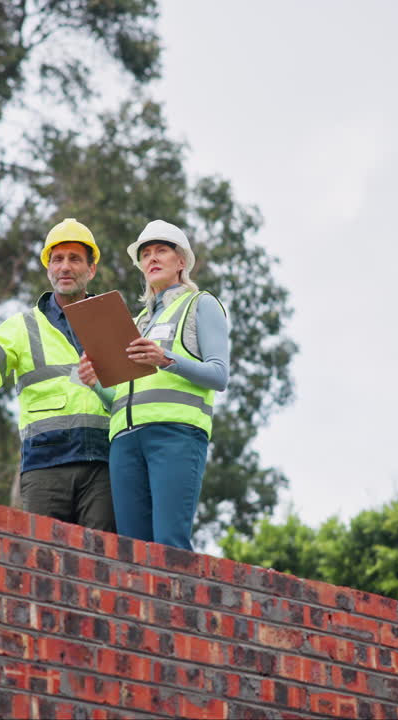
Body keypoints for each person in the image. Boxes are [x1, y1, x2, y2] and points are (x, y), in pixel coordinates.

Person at [0, 218, 115, 532]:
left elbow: (133, 391)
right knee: (43, 565)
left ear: (92, 269)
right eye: (57, 259)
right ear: (48, 268)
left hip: (104, 464)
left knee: (101, 563)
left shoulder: (111, 321)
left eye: (75, 259)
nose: (65, 267)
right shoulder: (22, 326)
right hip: (46, 466)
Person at [79, 220, 229, 550]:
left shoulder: (200, 304)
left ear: (181, 261)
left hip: (175, 435)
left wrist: (166, 359)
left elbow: (219, 375)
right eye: (146, 254)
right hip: (124, 442)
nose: (152, 258)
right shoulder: (134, 323)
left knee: (169, 546)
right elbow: (117, 396)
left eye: (162, 250)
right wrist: (94, 383)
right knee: (131, 552)